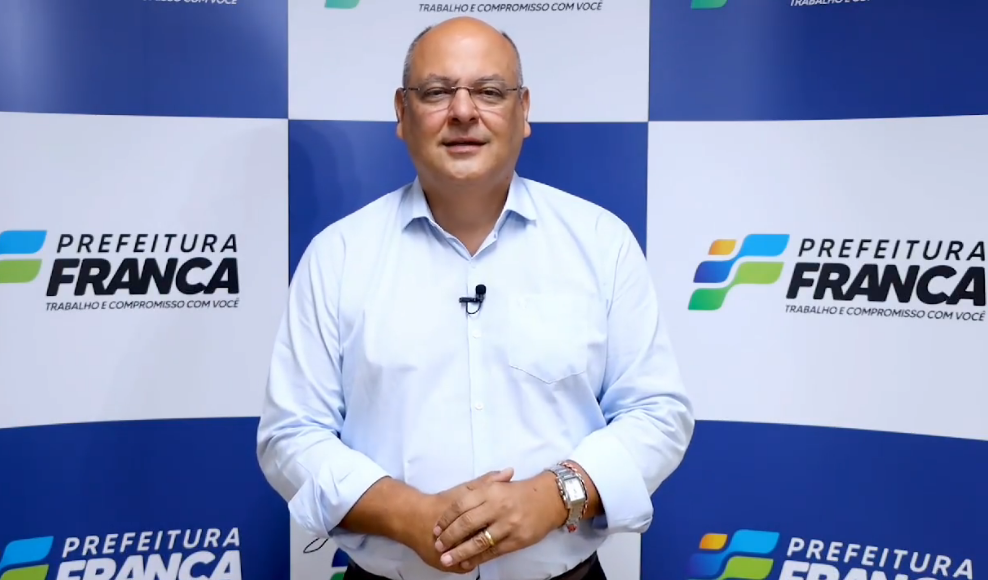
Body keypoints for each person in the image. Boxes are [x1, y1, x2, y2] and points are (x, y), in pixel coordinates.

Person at [257, 15, 694, 580]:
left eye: (489, 91)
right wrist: (408, 515)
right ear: (402, 112)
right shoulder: (338, 255)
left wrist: (556, 495)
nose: (463, 111)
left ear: (523, 110)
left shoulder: (600, 242)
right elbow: (291, 434)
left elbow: (657, 413)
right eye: (437, 92)